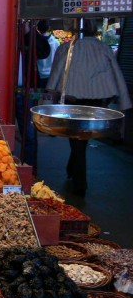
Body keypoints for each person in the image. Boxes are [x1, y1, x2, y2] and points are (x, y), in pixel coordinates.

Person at [46, 19, 132, 197]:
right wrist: (123, 100)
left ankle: (79, 182)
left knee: (77, 139)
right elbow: (116, 73)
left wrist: (49, 95)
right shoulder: (103, 48)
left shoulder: (67, 48)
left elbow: (55, 73)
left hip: (73, 99)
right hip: (97, 101)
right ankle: (73, 171)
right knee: (80, 139)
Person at [15, 20, 51, 166]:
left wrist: (29, 33)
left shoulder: (30, 38)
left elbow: (44, 52)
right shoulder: (3, 34)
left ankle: (30, 170)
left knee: (29, 134)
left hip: (26, 90)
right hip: (9, 90)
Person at [35, 20, 59, 90]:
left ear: (38, 28)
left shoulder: (35, 42)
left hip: (39, 74)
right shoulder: (56, 42)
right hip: (52, 75)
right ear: (49, 28)